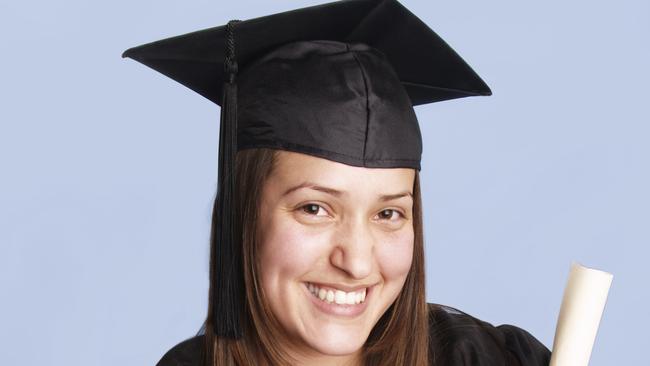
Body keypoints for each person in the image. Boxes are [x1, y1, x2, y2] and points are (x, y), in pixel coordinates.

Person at [123, 0, 552, 365]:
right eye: (315, 208)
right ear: (242, 213)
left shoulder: (482, 358)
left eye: (388, 213)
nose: (358, 263)